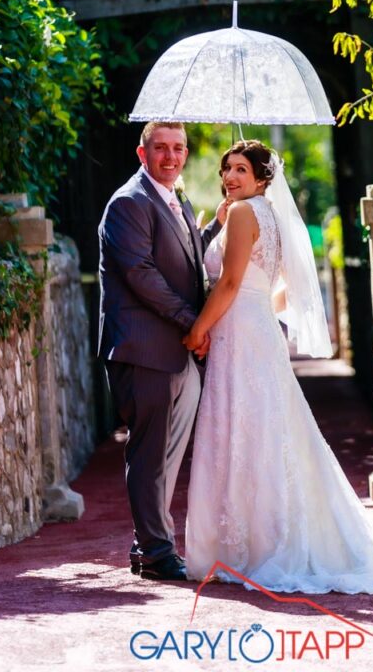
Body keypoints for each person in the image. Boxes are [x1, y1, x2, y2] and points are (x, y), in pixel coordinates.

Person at [183, 139, 373, 594]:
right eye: (227, 169)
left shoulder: (247, 214)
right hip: (257, 328)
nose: (229, 177)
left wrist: (197, 330)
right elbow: (281, 287)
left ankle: (252, 546)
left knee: (242, 424)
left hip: (240, 331)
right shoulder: (266, 215)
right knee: (269, 427)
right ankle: (267, 535)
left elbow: (228, 283)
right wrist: (252, 301)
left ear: (263, 178)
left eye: (241, 170)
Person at [98, 121, 223, 582]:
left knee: (169, 454)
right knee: (149, 454)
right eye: (161, 148)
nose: (170, 156)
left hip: (180, 350)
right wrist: (195, 323)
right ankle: (155, 550)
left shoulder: (177, 199)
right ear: (142, 152)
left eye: (178, 148)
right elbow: (143, 275)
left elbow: (186, 262)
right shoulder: (129, 202)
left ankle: (147, 542)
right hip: (145, 348)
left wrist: (214, 227)